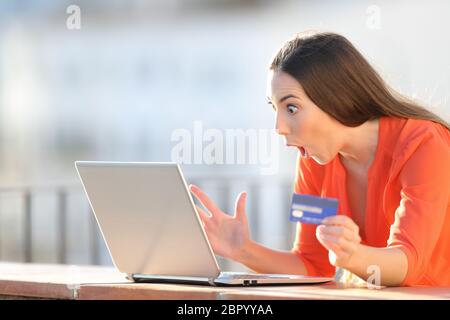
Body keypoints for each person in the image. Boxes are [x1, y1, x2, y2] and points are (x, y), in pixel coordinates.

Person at [189, 32, 450, 287]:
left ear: (336, 98)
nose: (278, 127)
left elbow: (408, 263)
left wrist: (353, 256)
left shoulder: (424, 144)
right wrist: (242, 250)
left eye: (291, 108)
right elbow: (312, 264)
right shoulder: (313, 159)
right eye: (274, 107)